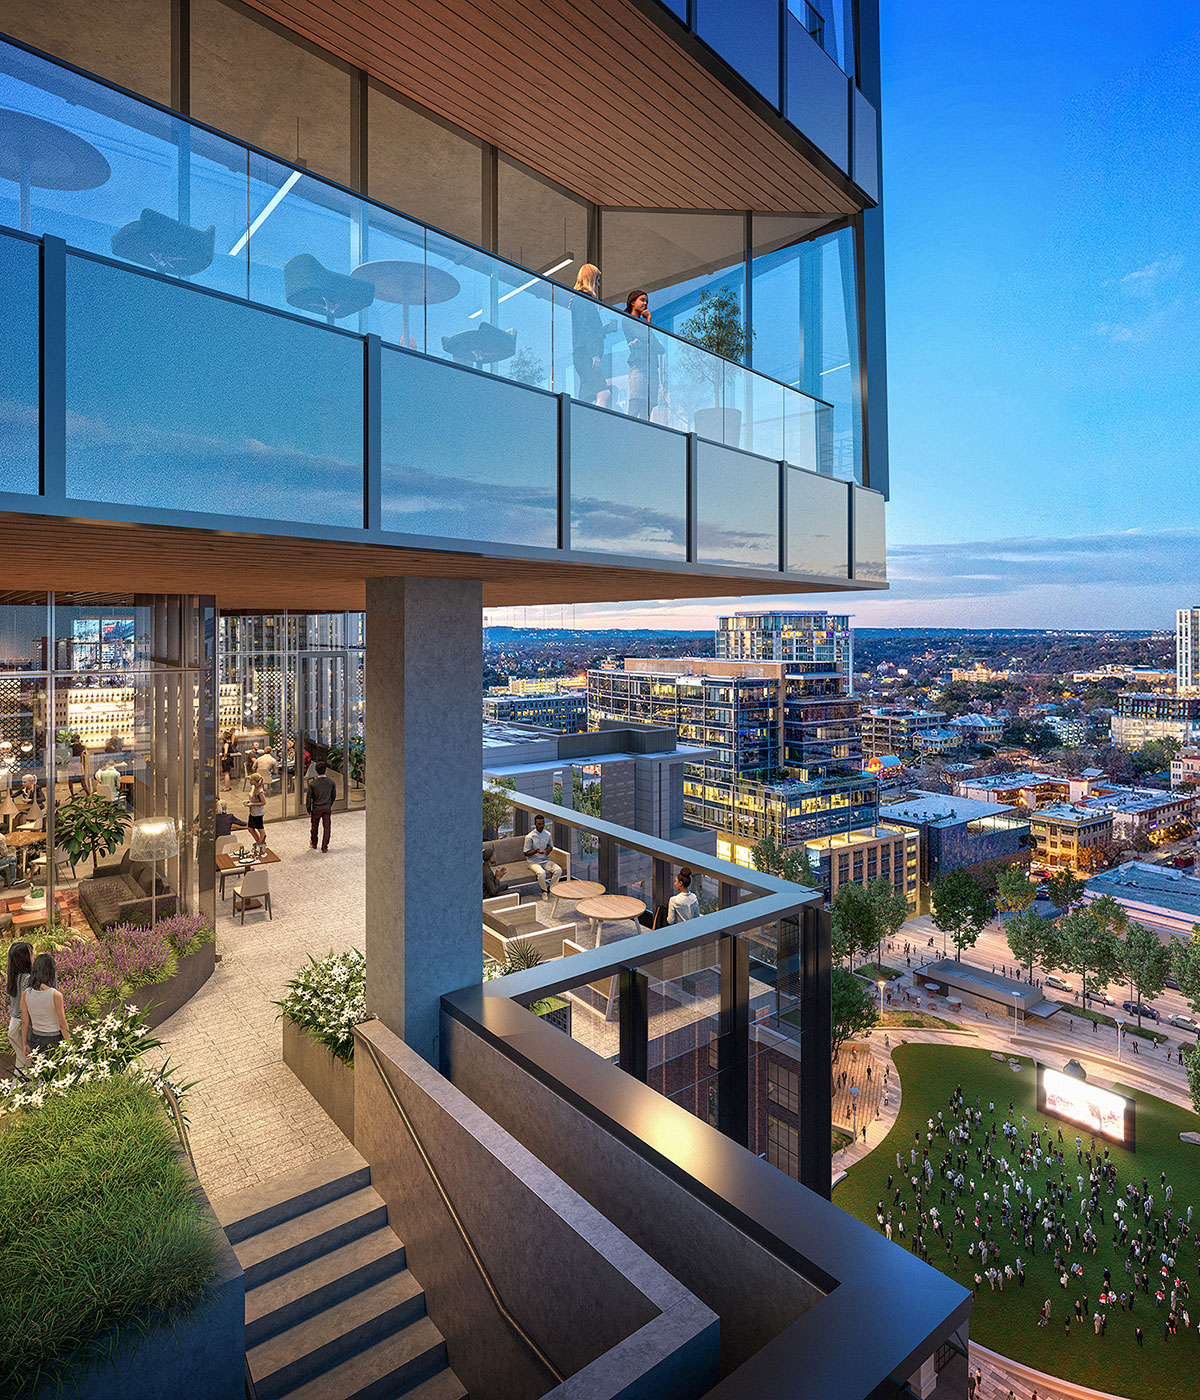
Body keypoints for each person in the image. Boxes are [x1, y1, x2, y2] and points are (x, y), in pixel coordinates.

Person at [570, 264, 611, 407]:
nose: (599, 284)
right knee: (604, 393)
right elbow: (584, 328)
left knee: (586, 397)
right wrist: (594, 354)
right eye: (597, 280)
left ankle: (581, 424)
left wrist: (602, 331)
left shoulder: (579, 300)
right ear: (590, 279)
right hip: (586, 355)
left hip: (583, 354)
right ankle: (597, 425)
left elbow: (585, 328)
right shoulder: (582, 299)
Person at [623, 289, 663, 420]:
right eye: (642, 300)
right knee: (635, 404)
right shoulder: (628, 320)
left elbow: (659, 348)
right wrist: (648, 320)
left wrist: (645, 342)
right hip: (639, 366)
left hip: (652, 368)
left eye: (647, 301)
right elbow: (645, 336)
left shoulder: (643, 325)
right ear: (633, 302)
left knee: (647, 409)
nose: (645, 303)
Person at [21, 952, 70, 1058]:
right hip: (54, 1039)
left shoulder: (26, 993)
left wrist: (24, 1044)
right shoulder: (55, 994)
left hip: (36, 1039)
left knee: (41, 1072)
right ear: (51, 971)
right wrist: (70, 1044)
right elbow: (62, 1024)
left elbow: (25, 1021)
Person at [6, 941, 33, 1067]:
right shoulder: (27, 979)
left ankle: (16, 1087)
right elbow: (25, 1009)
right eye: (31, 954)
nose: (34, 956)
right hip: (23, 1026)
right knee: (28, 1066)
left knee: (21, 1063)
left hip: (13, 1026)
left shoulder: (12, 976)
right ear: (25, 959)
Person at [523, 814, 561, 897]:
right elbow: (526, 853)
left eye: (543, 823)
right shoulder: (529, 837)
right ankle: (544, 891)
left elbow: (551, 846)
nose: (541, 826)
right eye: (539, 824)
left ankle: (551, 889)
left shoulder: (548, 834)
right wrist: (535, 851)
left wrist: (548, 850)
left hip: (545, 860)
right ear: (535, 824)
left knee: (558, 870)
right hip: (533, 862)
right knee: (541, 873)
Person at [306, 761, 337, 853]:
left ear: (316, 771)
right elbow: (333, 796)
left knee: (314, 827)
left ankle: (314, 843)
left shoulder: (313, 783)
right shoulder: (331, 782)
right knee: (327, 828)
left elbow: (309, 798)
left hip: (316, 809)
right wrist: (329, 804)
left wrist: (308, 809)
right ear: (325, 770)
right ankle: (324, 847)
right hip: (327, 807)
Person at [245, 774, 267, 846]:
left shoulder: (259, 791)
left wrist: (252, 804)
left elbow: (264, 802)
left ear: (256, 781)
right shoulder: (253, 787)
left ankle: (260, 845)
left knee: (260, 830)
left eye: (251, 780)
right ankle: (259, 843)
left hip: (258, 813)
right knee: (250, 828)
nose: (249, 781)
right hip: (253, 812)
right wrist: (249, 802)